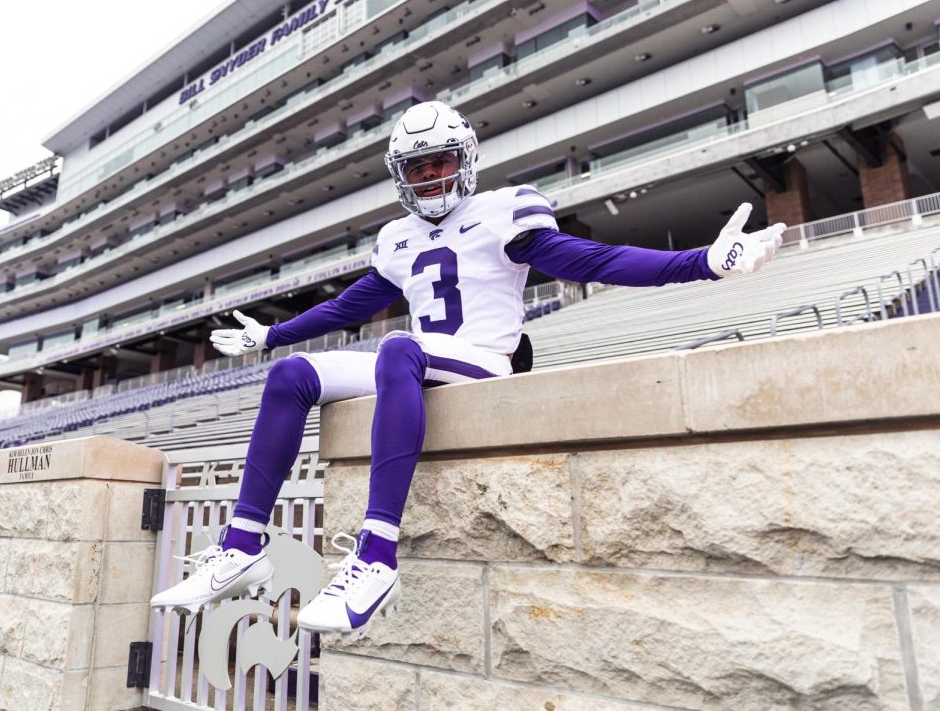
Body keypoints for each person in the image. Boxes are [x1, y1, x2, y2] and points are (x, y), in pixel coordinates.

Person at [149, 100, 786, 635]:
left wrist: (702, 262)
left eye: (440, 162)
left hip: (483, 362)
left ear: (465, 160)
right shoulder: (396, 239)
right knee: (291, 378)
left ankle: (376, 557)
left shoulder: (503, 210)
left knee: (398, 348)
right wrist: (272, 336)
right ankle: (242, 546)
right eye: (416, 168)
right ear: (399, 176)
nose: (429, 177)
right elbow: (352, 304)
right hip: (422, 365)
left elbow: (591, 260)